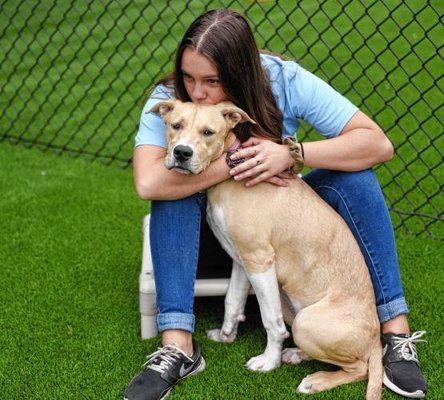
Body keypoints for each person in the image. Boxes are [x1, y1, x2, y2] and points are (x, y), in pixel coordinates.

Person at [124, 9, 427, 400]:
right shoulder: (170, 100)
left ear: (241, 72)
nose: (196, 93)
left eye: (211, 81)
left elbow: (378, 145)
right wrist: (235, 162)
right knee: (174, 187)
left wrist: (291, 154)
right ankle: (178, 345)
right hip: (199, 241)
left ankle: (394, 331)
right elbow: (148, 182)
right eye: (188, 76)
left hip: (279, 230)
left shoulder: (283, 79)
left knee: (355, 175)